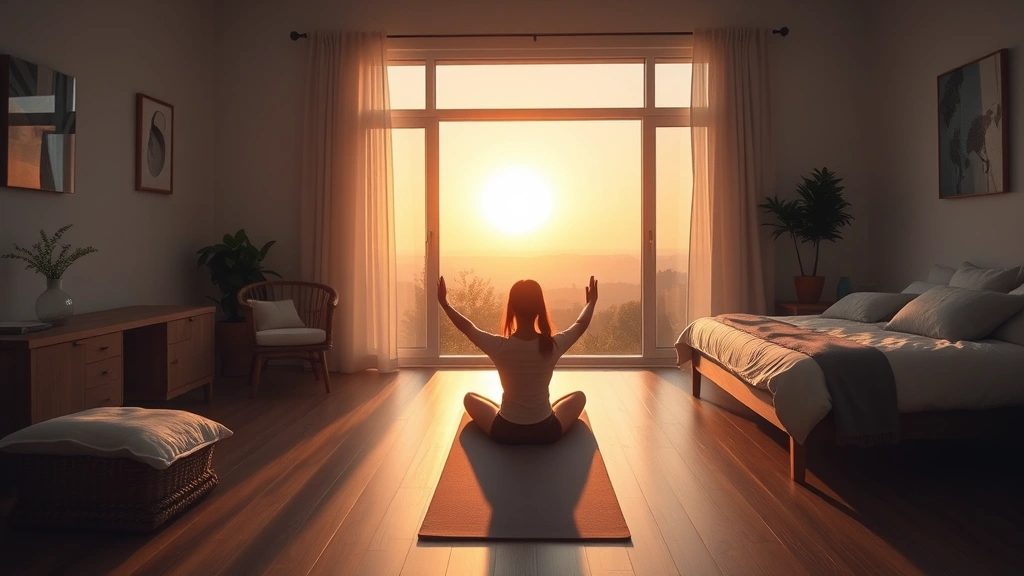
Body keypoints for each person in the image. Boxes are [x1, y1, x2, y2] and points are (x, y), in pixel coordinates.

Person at [437, 275, 598, 445]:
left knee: (469, 398)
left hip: (505, 431)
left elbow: (468, 328)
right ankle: (546, 411)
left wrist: (445, 304)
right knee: (579, 397)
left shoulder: (499, 346)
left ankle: (508, 411)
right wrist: (591, 303)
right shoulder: (552, 346)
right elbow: (580, 324)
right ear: (539, 309)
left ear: (512, 309)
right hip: (546, 432)